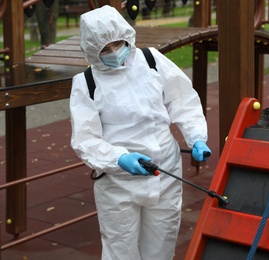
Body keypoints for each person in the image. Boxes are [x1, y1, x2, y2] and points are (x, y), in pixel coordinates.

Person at [69, 5, 212, 260]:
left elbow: (182, 99)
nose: (114, 52)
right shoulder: (86, 83)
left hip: (165, 169)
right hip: (118, 181)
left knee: (162, 242)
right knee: (120, 247)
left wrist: (197, 136)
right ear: (92, 50)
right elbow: (85, 138)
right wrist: (118, 158)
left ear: (126, 36)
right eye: (105, 49)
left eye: (117, 43)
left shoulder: (151, 60)